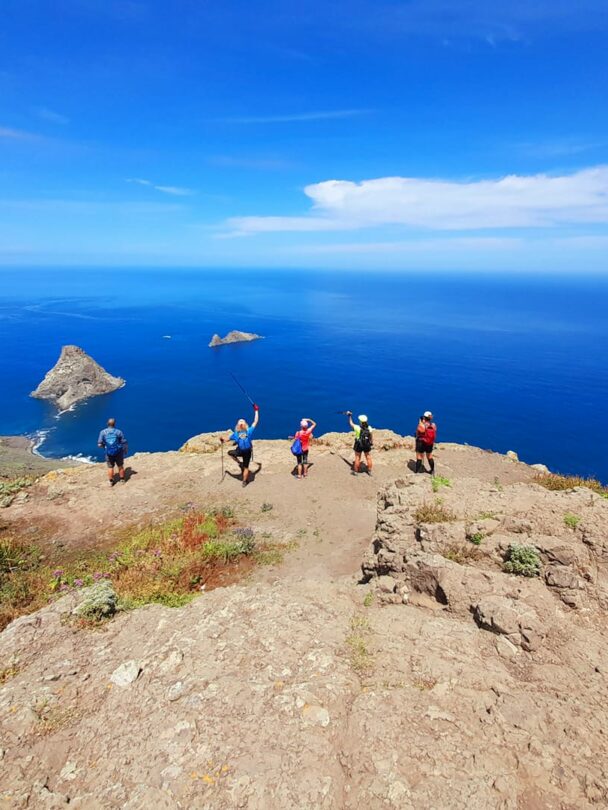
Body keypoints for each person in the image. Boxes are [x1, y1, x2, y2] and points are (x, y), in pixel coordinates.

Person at [221, 404, 260, 487]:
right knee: (246, 468)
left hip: (240, 451)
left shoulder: (235, 434)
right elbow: (255, 421)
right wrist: (256, 410)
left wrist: (221, 439)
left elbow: (225, 440)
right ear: (245, 424)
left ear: (237, 426)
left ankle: (239, 462)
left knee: (230, 453)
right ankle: (244, 482)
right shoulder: (249, 431)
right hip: (247, 451)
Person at [98, 418, 128, 486]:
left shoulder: (103, 432)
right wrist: (125, 450)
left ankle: (111, 481)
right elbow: (123, 442)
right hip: (118, 452)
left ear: (107, 424)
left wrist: (105, 447)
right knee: (120, 466)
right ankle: (122, 479)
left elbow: (99, 444)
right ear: (114, 424)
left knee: (110, 467)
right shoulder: (119, 432)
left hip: (108, 453)